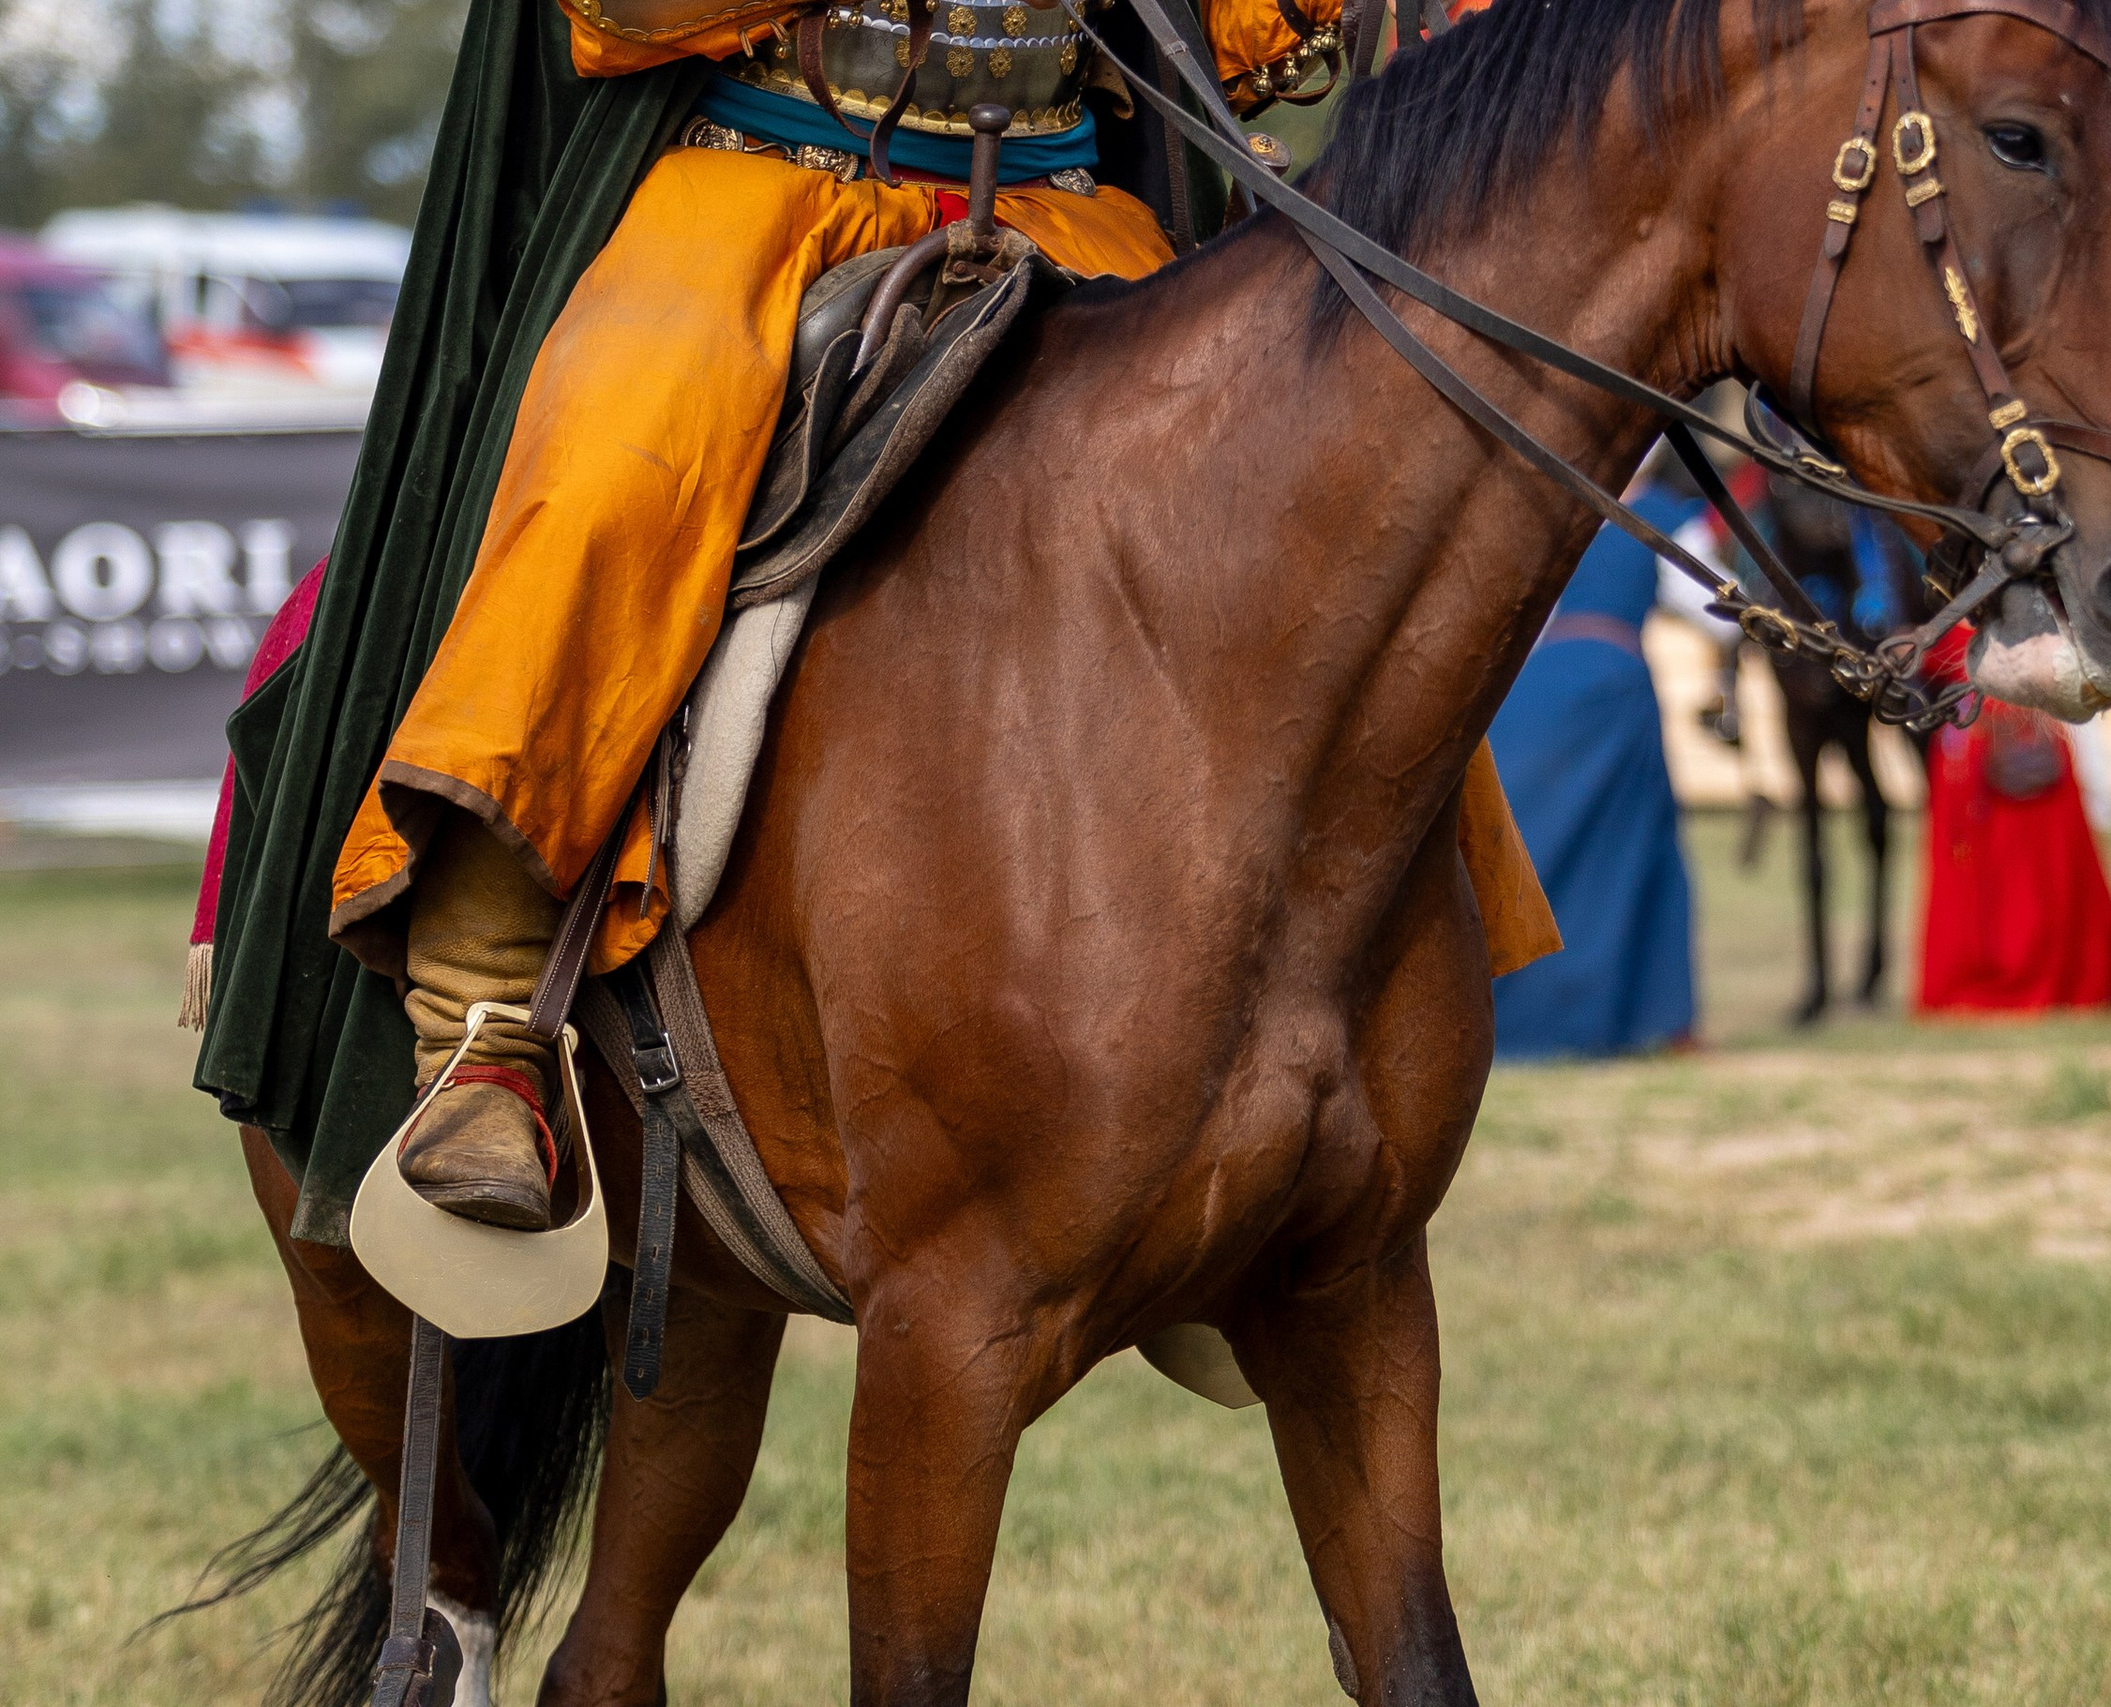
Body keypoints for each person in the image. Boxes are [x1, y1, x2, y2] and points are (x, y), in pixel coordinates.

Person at [192, 0, 1558, 1239]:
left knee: (1297, 493)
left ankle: (1307, 1053)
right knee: (611, 468)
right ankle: (484, 1019)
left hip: (1068, 208)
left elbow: (1236, 42)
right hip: (767, 186)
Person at [1489, 497, 1696, 1056]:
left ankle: (1513, 1013)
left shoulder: (1546, 506)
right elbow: (1708, 603)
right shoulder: (1660, 516)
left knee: (1536, 847)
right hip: (1612, 690)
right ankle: (1648, 1019)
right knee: (1635, 849)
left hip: (1534, 694)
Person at [1913, 630, 2111, 1016]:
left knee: (2048, 864)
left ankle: (2054, 973)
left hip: (2024, 727)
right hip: (1980, 737)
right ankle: (1989, 972)